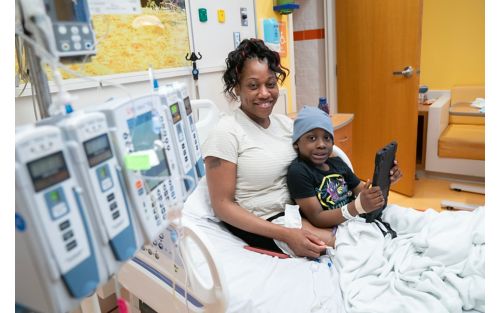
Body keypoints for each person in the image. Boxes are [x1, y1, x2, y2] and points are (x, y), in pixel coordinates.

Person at [202, 38, 331, 258]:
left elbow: (326, 156)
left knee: (363, 229)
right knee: (342, 244)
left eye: (270, 84)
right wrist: (286, 234)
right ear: (237, 88)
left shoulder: (286, 124)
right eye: (253, 85)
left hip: (300, 211)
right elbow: (222, 205)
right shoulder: (226, 132)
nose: (264, 93)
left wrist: (371, 182)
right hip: (267, 222)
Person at [287, 106, 402, 234]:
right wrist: (357, 207)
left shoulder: (338, 163)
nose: (321, 145)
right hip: (337, 230)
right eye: (312, 138)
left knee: (411, 219)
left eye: (327, 138)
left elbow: (362, 192)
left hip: (357, 218)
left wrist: (386, 179)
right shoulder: (299, 172)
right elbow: (317, 217)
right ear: (296, 143)